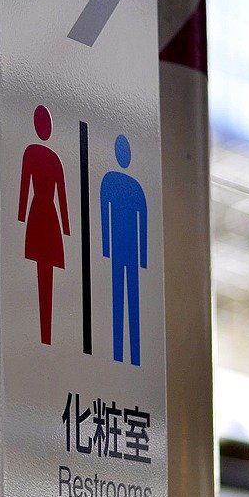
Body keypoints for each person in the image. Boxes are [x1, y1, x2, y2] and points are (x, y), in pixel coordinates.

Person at [18, 105, 70, 345]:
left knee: (43, 271)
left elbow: (26, 191)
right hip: (47, 215)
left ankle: (47, 335)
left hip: (40, 213)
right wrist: (66, 227)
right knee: (42, 271)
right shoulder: (51, 158)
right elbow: (61, 198)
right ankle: (44, 334)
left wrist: (21, 216)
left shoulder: (35, 154)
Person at [100, 134, 148, 366]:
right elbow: (104, 216)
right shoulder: (109, 181)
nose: (124, 156)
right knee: (119, 297)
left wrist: (144, 258)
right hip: (122, 250)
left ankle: (132, 355)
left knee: (131, 301)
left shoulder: (134, 186)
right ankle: (119, 352)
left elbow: (143, 222)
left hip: (128, 250)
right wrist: (106, 248)